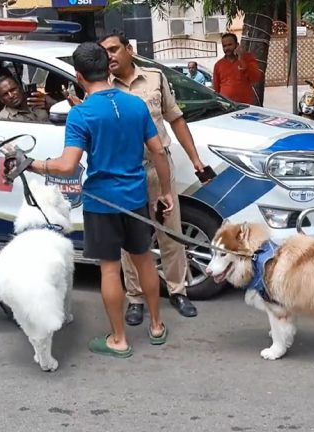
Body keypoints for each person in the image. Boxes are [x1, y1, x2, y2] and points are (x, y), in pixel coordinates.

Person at [8, 42, 172, 358]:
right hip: (135, 197)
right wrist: (165, 191)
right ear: (107, 67)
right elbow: (159, 150)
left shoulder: (81, 114)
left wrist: (32, 163)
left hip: (102, 202)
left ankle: (119, 340)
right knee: (144, 261)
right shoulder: (136, 105)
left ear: (78, 75)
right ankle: (156, 326)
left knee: (110, 271)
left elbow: (67, 165)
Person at [99, 31, 205, 322]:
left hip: (158, 169)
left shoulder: (156, 78)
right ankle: (135, 299)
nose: (109, 56)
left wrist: (195, 159)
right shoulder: (100, 87)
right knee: (130, 239)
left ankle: (177, 291)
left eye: (113, 49)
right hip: (124, 173)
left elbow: (175, 119)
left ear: (129, 49)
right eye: (104, 51)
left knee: (169, 232)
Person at [213, 33, 262, 104]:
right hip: (227, 105)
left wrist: (241, 59)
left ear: (237, 45)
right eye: (224, 46)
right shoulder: (218, 65)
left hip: (246, 104)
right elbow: (216, 88)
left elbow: (255, 78)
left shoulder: (248, 58)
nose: (227, 48)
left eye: (230, 45)